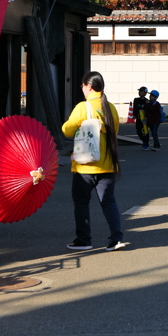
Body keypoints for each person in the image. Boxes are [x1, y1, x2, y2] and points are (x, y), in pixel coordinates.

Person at [63, 71, 126, 252]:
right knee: (109, 202)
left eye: (82, 86)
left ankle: (84, 240)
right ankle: (116, 238)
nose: (82, 89)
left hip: (86, 165)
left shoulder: (83, 107)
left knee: (81, 203)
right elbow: (116, 131)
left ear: (89, 87)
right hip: (108, 163)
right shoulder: (111, 107)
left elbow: (67, 130)